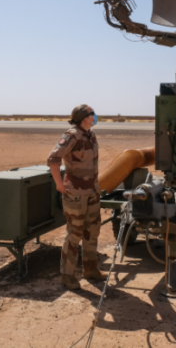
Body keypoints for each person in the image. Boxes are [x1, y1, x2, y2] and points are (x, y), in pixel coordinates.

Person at [47, 104, 106, 290]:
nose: (95, 116)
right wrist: (59, 184)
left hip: (92, 192)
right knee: (74, 234)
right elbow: (53, 159)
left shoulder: (90, 135)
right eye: (92, 113)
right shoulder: (71, 136)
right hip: (76, 194)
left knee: (92, 231)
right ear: (85, 118)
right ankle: (67, 275)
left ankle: (90, 269)